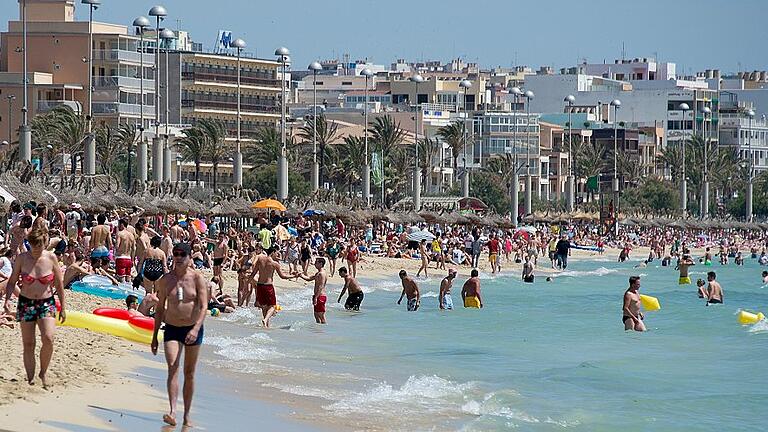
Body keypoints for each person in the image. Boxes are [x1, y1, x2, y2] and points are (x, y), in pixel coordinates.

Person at [151, 243, 208, 428]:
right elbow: (159, 310)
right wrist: (154, 336)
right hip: (172, 328)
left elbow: (204, 306)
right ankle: (173, 411)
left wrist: (195, 328)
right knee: (172, 366)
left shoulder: (197, 278)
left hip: (193, 329)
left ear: (190, 257)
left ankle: (187, 415)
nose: (179, 257)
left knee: (189, 373)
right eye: (176, 254)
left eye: (183, 254)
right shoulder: (166, 280)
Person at [3, 228, 66, 386]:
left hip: (46, 303)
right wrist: (8, 300)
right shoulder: (22, 258)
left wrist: (63, 307)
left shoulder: (51, 258)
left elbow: (59, 284)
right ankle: (31, 379)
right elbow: (11, 282)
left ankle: (43, 373)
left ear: (45, 243)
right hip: (26, 303)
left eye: (39, 246)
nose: (36, 249)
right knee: (28, 343)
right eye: (33, 245)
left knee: (49, 338)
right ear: (29, 243)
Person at [249, 247, 296, 327]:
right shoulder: (275, 264)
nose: (277, 254)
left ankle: (266, 325)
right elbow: (282, 276)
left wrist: (250, 281)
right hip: (268, 286)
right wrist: (293, 277)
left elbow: (253, 273)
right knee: (273, 306)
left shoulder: (261, 260)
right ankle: (265, 320)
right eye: (276, 253)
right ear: (273, 252)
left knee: (264, 306)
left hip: (260, 285)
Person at [296, 257, 329, 324]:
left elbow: (321, 286)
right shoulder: (318, 273)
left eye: (316, 262)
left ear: (321, 263)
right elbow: (309, 279)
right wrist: (301, 275)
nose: (314, 264)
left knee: (321, 315)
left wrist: (316, 297)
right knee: (316, 315)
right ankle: (318, 330)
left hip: (320, 296)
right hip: (317, 296)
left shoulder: (322, 274)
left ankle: (323, 331)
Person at [114, 219, 135, 283]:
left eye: (119, 224)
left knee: (121, 280)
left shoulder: (120, 234)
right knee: (128, 279)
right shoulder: (131, 235)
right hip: (129, 258)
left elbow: (117, 246)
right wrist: (133, 259)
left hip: (120, 258)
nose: (118, 226)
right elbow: (134, 248)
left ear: (122, 224)